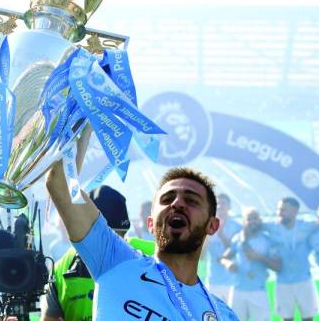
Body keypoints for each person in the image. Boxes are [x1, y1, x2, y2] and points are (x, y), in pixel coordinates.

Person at [45, 128, 239, 320]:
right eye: (167, 199)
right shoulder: (116, 260)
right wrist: (85, 118)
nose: (177, 203)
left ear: (212, 225)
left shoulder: (223, 315)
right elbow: (60, 183)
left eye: (192, 200)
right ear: (151, 223)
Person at [41, 185, 155, 321]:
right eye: (106, 240)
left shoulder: (154, 255)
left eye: (120, 237)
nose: (115, 248)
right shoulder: (60, 270)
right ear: (85, 232)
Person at [264, 196, 319, 321]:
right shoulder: (271, 226)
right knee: (287, 319)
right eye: (279, 210)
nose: (279, 213)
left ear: (295, 211)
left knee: (308, 318)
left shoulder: (307, 225)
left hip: (304, 281)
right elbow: (251, 224)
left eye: (283, 210)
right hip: (283, 282)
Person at [220, 207, 281, 321]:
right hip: (237, 290)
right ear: (244, 221)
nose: (253, 221)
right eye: (249, 218)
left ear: (260, 220)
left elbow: (278, 267)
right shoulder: (237, 238)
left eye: (255, 218)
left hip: (258, 291)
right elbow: (224, 258)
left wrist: (260, 258)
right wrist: (228, 264)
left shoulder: (267, 240)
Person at [204, 193, 242, 303]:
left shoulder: (237, 227)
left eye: (223, 204)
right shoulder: (207, 226)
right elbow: (202, 255)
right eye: (217, 204)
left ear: (229, 207)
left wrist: (221, 235)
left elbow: (236, 251)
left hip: (232, 281)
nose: (220, 206)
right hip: (213, 280)